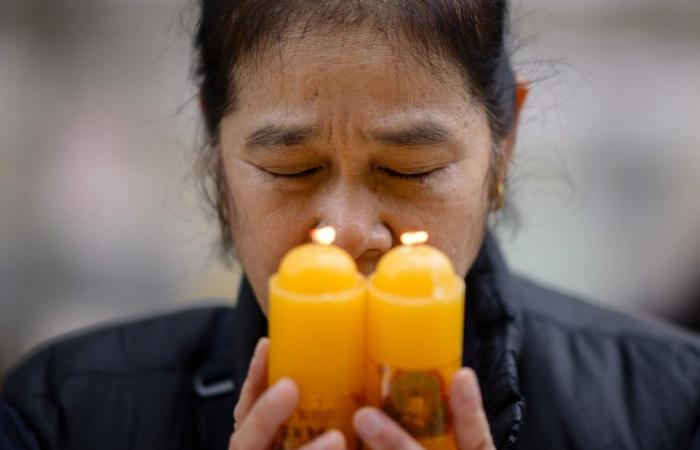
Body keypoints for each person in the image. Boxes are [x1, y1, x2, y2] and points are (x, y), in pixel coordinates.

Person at [2, 1, 700, 449]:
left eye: (409, 169)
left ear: (505, 141)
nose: (346, 229)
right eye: (291, 170)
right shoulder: (62, 412)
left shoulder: (669, 405)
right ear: (216, 144)